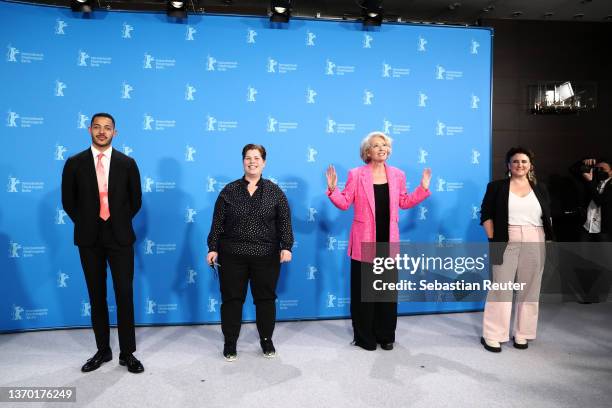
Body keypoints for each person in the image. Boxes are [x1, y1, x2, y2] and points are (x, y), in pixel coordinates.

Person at [325, 131, 431, 351]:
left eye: (385, 145)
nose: (382, 148)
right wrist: (333, 190)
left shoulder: (398, 175)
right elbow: (345, 203)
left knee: (386, 293)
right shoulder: (356, 174)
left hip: (388, 242)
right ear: (367, 152)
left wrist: (422, 189)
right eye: (376, 145)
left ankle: (386, 336)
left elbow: (403, 201)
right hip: (364, 241)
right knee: (365, 294)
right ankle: (365, 338)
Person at [61, 113, 144, 373]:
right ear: (89, 130)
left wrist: (115, 221)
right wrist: (89, 222)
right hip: (89, 238)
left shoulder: (127, 163)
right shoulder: (74, 163)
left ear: (114, 133)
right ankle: (103, 350)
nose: (101, 131)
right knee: (96, 296)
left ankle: (127, 353)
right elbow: (68, 201)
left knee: (124, 295)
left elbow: (135, 200)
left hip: (120, 237)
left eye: (107, 128)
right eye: (97, 127)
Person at [207, 144, 294, 361]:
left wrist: (286, 246)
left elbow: (284, 222)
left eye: (257, 158)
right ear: (243, 161)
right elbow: (218, 222)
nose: (252, 161)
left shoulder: (275, 192)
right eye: (248, 158)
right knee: (232, 300)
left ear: (264, 162)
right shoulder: (229, 190)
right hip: (232, 255)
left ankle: (266, 340)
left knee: (265, 299)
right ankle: (230, 342)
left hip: (266, 256)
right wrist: (212, 248)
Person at [479, 147, 553, 352]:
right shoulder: (496, 187)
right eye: (515, 161)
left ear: (530, 165)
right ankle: (493, 335)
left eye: (524, 161)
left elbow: (546, 216)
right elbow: (485, 215)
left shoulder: (540, 188)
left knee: (530, 288)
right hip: (505, 238)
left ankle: (523, 333)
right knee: (501, 287)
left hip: (535, 237)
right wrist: (493, 239)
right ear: (508, 165)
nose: (520, 165)